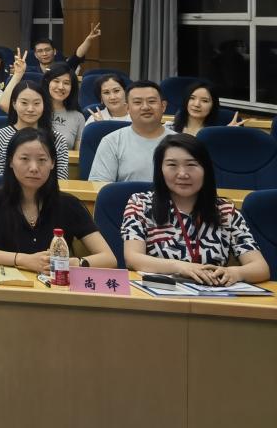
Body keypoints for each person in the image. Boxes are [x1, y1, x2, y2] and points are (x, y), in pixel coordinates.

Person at [123, 133, 269, 284]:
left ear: (206, 169)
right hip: (159, 292)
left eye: (191, 165)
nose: (182, 174)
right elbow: (132, 258)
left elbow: (260, 268)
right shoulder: (141, 204)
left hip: (212, 294)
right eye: (172, 165)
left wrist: (235, 272)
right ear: (160, 170)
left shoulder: (225, 211)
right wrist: (181, 267)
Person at [0, 128, 116, 271]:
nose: (34, 168)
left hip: (56, 285)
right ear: (10, 161)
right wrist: (23, 260)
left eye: (42, 160)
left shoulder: (69, 204)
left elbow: (109, 258)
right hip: (8, 284)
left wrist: (73, 263)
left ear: (53, 163)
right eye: (24, 159)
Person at [89, 80, 175, 184]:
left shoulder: (180, 142)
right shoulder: (111, 142)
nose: (145, 107)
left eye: (151, 101)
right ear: (128, 108)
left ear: (163, 106)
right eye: (137, 102)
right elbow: (99, 187)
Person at [0, 54, 85, 149]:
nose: (61, 87)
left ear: (72, 87)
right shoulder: (35, 108)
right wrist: (18, 74)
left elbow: (78, 153)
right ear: (48, 82)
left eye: (66, 83)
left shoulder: (78, 117)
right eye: (56, 81)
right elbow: (4, 104)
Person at [0, 79, 70, 180]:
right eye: (24, 103)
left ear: (44, 105)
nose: (30, 109)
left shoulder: (58, 139)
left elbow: (61, 180)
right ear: (14, 104)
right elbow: (1, 178)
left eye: (36, 103)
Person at [171, 80, 243, 135]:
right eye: (192, 98)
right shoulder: (172, 128)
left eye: (204, 101)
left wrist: (226, 134)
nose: (196, 104)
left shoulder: (215, 133)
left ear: (213, 105)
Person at [31, 23, 101, 74]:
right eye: (40, 51)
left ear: (54, 51)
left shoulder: (63, 68)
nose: (44, 54)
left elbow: (77, 56)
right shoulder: (29, 72)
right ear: (35, 55)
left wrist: (88, 40)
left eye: (47, 50)